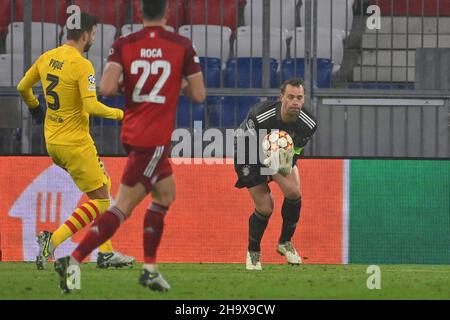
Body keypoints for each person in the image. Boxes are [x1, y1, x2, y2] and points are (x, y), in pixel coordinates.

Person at [53, 0, 206, 293]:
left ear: (139, 12)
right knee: (122, 207)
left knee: (165, 193)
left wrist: (134, 85)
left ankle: (149, 269)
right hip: (154, 139)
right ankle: (73, 259)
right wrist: (172, 84)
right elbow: (198, 94)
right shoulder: (181, 44)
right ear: (167, 12)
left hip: (135, 133)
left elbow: (107, 88)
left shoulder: (125, 43)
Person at [17, 12, 135, 270]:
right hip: (76, 145)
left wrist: (36, 108)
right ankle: (53, 239)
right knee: (102, 200)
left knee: (103, 184)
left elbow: (22, 87)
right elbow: (91, 105)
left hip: (54, 143)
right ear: (85, 34)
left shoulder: (48, 57)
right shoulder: (82, 65)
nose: (93, 37)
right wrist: (122, 114)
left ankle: (105, 253)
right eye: (93, 33)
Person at [234, 78, 318, 271]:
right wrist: (268, 156)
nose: (295, 102)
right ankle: (253, 252)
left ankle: (285, 242)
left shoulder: (309, 124)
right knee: (265, 207)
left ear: (304, 100)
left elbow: (295, 152)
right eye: (290, 97)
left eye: (299, 97)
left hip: (279, 154)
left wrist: (281, 162)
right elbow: (247, 144)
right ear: (281, 98)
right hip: (250, 153)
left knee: (294, 192)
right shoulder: (259, 115)